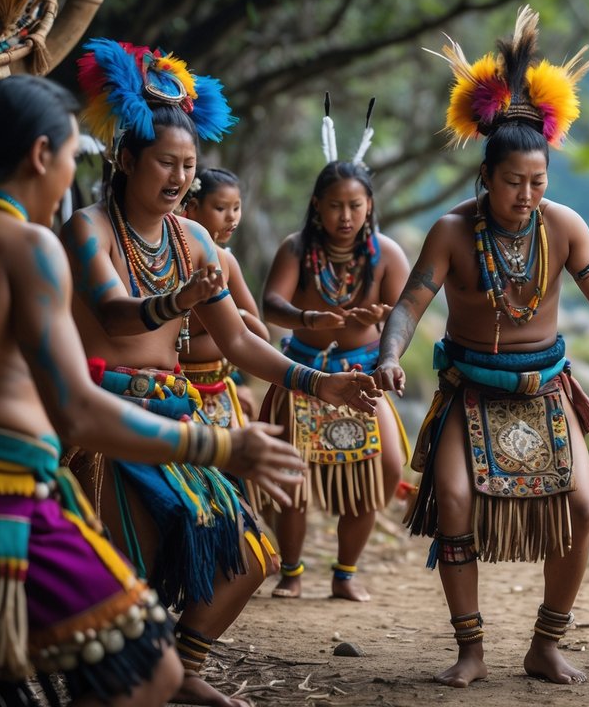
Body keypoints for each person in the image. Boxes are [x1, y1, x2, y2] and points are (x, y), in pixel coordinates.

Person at [0, 75, 306, 707]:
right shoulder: (30, 244)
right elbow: (78, 409)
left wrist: (314, 381)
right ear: (40, 155)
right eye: (70, 154)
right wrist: (222, 448)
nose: (70, 172)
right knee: (149, 673)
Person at [62, 39, 377, 707]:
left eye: (190, 166)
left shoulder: (194, 240)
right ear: (124, 160)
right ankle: (127, 679)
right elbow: (117, 317)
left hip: (178, 413)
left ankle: (179, 667)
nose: (180, 178)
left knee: (250, 556)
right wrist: (175, 302)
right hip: (103, 415)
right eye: (165, 164)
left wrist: (318, 383)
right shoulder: (86, 229)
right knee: (129, 573)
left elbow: (238, 341)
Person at [374, 6, 589, 687]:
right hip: (469, 387)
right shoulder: (449, 232)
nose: (526, 196)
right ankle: (469, 650)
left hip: (544, 389)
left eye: (538, 183)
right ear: (485, 177)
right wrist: (387, 354)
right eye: (512, 182)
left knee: (582, 507)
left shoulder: (564, 227)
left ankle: (544, 644)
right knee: (455, 499)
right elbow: (409, 304)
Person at [257, 98, 410, 602]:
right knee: (291, 473)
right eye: (335, 206)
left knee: (386, 468)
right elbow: (270, 303)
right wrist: (306, 318)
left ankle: (345, 573)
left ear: (369, 206)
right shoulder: (297, 249)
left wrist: (382, 318)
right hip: (302, 373)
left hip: (363, 377)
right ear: (317, 207)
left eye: (355, 205)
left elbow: (407, 311)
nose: (345, 216)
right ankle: (293, 572)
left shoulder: (387, 254)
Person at [180, 166, 270, 425]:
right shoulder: (174, 255)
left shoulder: (226, 259)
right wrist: (231, 328)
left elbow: (258, 334)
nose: (231, 218)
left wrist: (238, 318)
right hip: (178, 386)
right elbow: (176, 347)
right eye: (221, 209)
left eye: (236, 208)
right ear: (193, 207)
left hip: (220, 388)